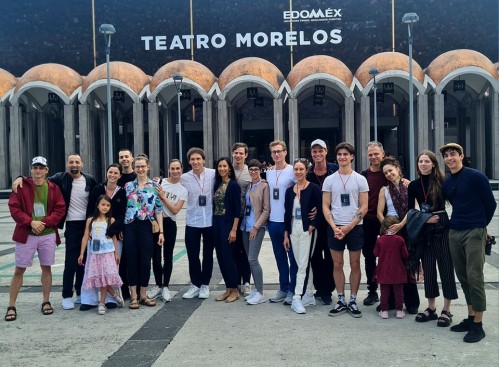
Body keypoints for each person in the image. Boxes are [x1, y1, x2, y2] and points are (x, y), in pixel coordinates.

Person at [12, 154, 98, 310]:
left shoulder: (89, 180)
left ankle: (80, 292)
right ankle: (66, 295)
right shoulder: (60, 178)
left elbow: (99, 194)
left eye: (77, 162)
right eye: (71, 162)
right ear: (67, 164)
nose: (74, 164)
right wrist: (20, 177)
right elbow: (37, 178)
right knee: (71, 261)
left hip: (86, 224)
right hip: (71, 225)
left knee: (83, 260)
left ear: (82, 165)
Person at [440, 143, 497, 343]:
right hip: (454, 231)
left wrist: (481, 226)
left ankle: (478, 325)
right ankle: (471, 316)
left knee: (475, 277)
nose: (450, 158)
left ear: (462, 155)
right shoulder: (447, 182)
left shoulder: (475, 176)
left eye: (453, 154)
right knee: (463, 277)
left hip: (474, 231)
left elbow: (491, 204)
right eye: (446, 155)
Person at [6, 156, 66, 321]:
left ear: (47, 170)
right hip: (27, 234)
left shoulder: (53, 188)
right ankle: (11, 305)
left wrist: (44, 222)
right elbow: (14, 208)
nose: (38, 171)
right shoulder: (21, 186)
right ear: (31, 169)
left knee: (46, 268)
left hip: (47, 234)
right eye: (35, 167)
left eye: (41, 168)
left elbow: (60, 209)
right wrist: (30, 222)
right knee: (19, 269)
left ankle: (46, 301)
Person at [408, 151, 458, 326]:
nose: (423, 164)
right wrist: (425, 219)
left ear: (434, 164)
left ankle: (447, 309)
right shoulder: (413, 185)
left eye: (427, 161)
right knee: (428, 268)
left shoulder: (443, 182)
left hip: (442, 224)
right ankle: (431, 307)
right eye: (420, 161)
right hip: (424, 226)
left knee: (446, 266)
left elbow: (457, 203)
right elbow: (410, 210)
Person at [323, 142, 368, 318]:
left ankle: (353, 299)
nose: (342, 157)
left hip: (355, 228)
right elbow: (325, 206)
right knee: (337, 264)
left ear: (352, 157)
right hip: (335, 228)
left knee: (355, 264)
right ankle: (341, 299)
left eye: (346, 154)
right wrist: (335, 227)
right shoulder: (329, 179)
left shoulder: (360, 179)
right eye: (340, 154)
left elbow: (363, 207)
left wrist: (348, 228)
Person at [80, 163, 127, 310]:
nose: (112, 175)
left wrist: (114, 229)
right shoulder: (98, 189)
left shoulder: (122, 192)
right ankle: (89, 299)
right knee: (92, 269)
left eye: (116, 173)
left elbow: (122, 213)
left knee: (110, 270)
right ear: (107, 173)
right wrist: (91, 229)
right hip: (96, 238)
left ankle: (109, 300)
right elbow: (90, 209)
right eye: (110, 172)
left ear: (120, 175)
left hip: (112, 234)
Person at [376, 156, 420, 314]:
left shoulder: (410, 186)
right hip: (391, 232)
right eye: (385, 172)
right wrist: (387, 228)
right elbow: (379, 212)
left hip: (408, 230)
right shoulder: (384, 190)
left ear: (397, 169)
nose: (388, 174)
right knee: (391, 266)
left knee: (408, 265)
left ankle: (411, 302)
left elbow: (414, 209)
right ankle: (391, 301)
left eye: (390, 170)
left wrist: (401, 225)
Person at [123, 154, 164, 309]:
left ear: (148, 167)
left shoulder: (154, 186)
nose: (140, 169)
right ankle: (133, 295)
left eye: (143, 166)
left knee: (146, 261)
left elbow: (159, 210)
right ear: (134, 168)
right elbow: (123, 209)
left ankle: (143, 295)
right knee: (132, 261)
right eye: (137, 166)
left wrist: (161, 232)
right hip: (130, 226)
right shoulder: (128, 186)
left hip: (147, 226)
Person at [284, 158, 322, 314]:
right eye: (296, 169)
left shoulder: (313, 188)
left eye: (301, 169)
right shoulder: (289, 191)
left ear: (307, 171)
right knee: (299, 263)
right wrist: (286, 234)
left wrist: (313, 226)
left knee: (303, 263)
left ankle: (297, 297)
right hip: (293, 228)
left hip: (307, 229)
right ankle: (308, 294)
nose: (298, 172)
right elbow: (287, 213)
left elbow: (322, 209)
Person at [147, 159, 188, 302]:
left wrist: (164, 197)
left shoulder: (183, 189)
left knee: (168, 256)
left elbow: (175, 210)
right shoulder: (159, 183)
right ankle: (158, 285)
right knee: (156, 257)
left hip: (170, 223)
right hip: (156, 224)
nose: (175, 171)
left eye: (178, 168)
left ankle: (165, 286)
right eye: (173, 168)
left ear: (182, 169)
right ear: (168, 169)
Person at [78, 195, 124, 315]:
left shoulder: (111, 220)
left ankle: (102, 303)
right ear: (97, 205)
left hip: (107, 253)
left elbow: (114, 238)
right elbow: (85, 236)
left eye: (108, 205)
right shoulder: (91, 220)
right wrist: (82, 253)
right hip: (94, 254)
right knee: (98, 278)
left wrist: (116, 253)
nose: (105, 207)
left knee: (106, 277)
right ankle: (114, 294)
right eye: (103, 204)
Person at [180, 147, 216, 299]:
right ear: (189, 162)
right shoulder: (184, 178)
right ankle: (195, 284)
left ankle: (205, 285)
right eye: (192, 159)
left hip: (210, 221)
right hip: (192, 221)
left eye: (198, 159)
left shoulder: (213, 174)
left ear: (203, 160)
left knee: (208, 255)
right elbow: (172, 183)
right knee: (192, 255)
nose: (195, 162)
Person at [306, 139, 338, 305]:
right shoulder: (308, 173)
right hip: (316, 222)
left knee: (331, 256)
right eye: (314, 151)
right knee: (315, 256)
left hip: (333, 220)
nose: (317, 154)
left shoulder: (335, 170)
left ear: (326, 152)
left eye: (320, 151)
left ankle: (328, 289)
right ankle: (320, 288)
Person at [266, 140, 298, 305]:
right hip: (273, 221)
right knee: (279, 257)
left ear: (285, 152)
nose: (276, 154)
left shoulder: (293, 171)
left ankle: (293, 290)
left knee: (292, 258)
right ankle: (283, 288)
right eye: (274, 152)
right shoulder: (269, 172)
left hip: (289, 222)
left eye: (279, 151)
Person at [241, 159, 270, 305]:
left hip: (256, 227)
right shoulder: (248, 185)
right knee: (249, 260)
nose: (253, 172)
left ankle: (260, 292)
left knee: (253, 259)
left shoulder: (264, 186)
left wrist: (256, 227)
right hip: (245, 226)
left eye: (256, 170)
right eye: (251, 169)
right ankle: (256, 290)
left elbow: (266, 210)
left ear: (260, 170)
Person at [212, 157, 242, 303]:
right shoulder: (217, 184)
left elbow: (238, 209)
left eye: (224, 166)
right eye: (219, 166)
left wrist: (234, 229)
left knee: (229, 257)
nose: (222, 168)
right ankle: (228, 289)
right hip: (216, 224)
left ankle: (235, 290)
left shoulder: (234, 185)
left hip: (228, 224)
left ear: (229, 168)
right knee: (221, 257)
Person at [360, 141, 386, 307]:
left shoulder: (389, 173)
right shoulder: (363, 175)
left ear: (383, 154)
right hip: (368, 221)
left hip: (387, 221)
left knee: (388, 256)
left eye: (376, 153)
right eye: (370, 154)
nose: (374, 157)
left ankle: (389, 290)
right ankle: (372, 290)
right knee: (369, 256)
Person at [373, 216, 409, 319]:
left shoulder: (380, 240)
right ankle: (399, 310)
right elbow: (405, 254)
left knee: (384, 292)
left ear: (384, 227)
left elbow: (375, 253)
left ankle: (384, 311)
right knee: (399, 292)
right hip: (398, 269)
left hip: (384, 270)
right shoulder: (400, 239)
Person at [231, 142, 252, 296]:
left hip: (245, 217)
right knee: (233, 251)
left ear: (246, 155)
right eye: (235, 153)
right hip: (229, 218)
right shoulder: (225, 169)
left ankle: (246, 282)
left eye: (241, 153)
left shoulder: (250, 172)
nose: (238, 155)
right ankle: (235, 281)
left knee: (245, 251)